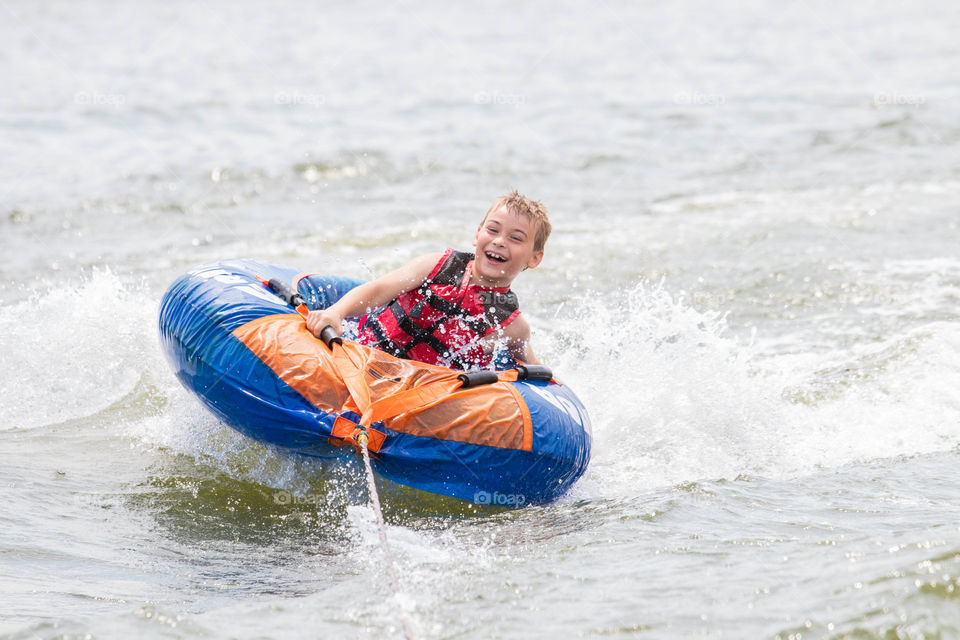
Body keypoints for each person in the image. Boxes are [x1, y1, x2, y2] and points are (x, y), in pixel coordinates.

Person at [305, 190, 551, 370]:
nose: (499, 241)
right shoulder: (437, 266)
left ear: (534, 258)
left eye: (516, 238)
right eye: (493, 230)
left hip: (426, 397)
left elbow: (534, 371)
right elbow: (378, 290)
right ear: (478, 234)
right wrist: (336, 313)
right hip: (361, 356)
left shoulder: (512, 325)